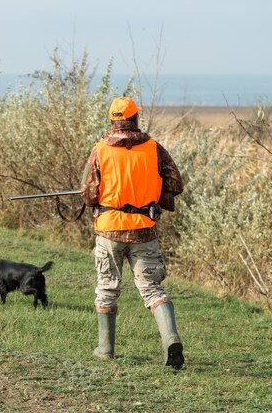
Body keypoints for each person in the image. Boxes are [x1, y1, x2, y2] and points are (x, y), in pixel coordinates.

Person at [80, 96, 185, 369]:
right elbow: (176, 182)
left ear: (112, 120)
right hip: (144, 230)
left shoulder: (100, 150)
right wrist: (155, 195)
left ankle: (105, 350)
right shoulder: (154, 148)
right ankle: (170, 338)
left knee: (107, 288)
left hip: (109, 229)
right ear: (136, 118)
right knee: (152, 288)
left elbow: (89, 194)